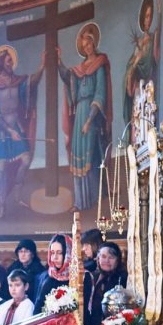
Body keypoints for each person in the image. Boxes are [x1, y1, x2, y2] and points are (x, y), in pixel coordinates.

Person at [0, 44, 43, 213]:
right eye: (7, 61)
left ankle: (17, 197)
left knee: (26, 159)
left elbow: (32, 83)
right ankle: (2, 204)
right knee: (1, 168)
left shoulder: (18, 82)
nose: (11, 63)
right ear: (1, 63)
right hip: (0, 130)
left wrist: (42, 66)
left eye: (11, 60)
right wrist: (9, 130)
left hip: (15, 125)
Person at [57, 22, 112, 211]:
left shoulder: (100, 64)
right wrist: (59, 61)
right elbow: (68, 78)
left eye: (89, 43)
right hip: (79, 113)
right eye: (84, 45)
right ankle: (79, 202)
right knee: (78, 155)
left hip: (91, 115)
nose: (87, 47)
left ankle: (94, 200)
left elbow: (100, 94)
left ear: (94, 43)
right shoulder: (79, 69)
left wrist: (89, 120)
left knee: (91, 155)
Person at [123, 0, 160, 143]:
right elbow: (130, 68)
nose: (148, 20)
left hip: (148, 89)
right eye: (146, 16)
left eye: (150, 16)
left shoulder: (153, 38)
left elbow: (155, 59)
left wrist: (161, 15)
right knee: (137, 128)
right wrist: (135, 63)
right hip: (138, 91)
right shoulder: (139, 43)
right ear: (142, 19)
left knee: (147, 123)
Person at [83, 241, 128, 325]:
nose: (106, 261)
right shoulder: (90, 277)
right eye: (103, 256)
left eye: (111, 257)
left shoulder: (123, 279)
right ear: (97, 258)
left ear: (118, 260)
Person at [35, 233, 72, 310]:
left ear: (68, 253)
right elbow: (38, 309)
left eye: (59, 253)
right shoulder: (48, 277)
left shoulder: (80, 277)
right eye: (52, 253)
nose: (55, 257)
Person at [8, 238, 44, 303]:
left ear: (32, 254)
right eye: (20, 251)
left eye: (26, 251)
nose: (23, 254)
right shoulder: (12, 268)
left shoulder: (40, 270)